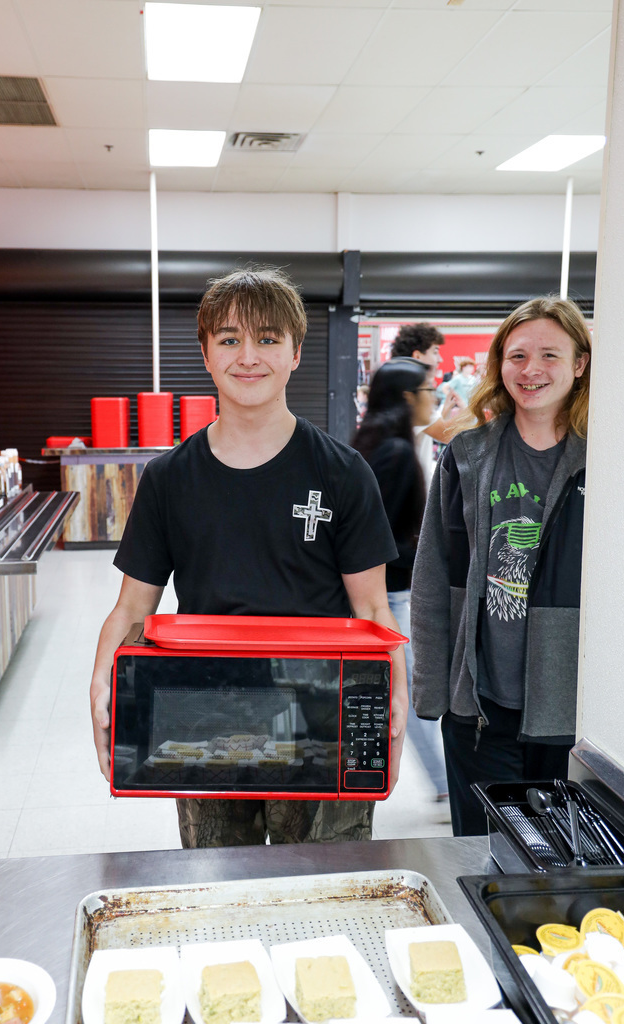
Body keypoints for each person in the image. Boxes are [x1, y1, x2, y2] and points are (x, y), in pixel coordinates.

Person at [90, 266, 408, 848]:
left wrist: (394, 700)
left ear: (294, 353)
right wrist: (102, 688)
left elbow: (373, 610)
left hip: (323, 712)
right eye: (229, 339)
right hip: (204, 709)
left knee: (324, 888)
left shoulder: (343, 474)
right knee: (217, 891)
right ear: (207, 356)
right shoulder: (168, 480)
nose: (248, 356)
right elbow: (131, 607)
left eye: (267, 338)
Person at [410, 296, 591, 836]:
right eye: (517, 356)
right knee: (481, 860)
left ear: (580, 363)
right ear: (499, 363)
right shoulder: (469, 454)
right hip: (480, 711)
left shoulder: (605, 459)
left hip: (572, 716)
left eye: (550, 356)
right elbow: (432, 580)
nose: (531, 370)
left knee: (564, 869)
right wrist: (434, 694)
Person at [351, 359, 449, 805]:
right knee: (408, 688)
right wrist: (431, 555)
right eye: (430, 389)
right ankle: (448, 783)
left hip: (383, 589)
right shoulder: (393, 452)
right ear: (409, 397)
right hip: (390, 592)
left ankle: (445, 781)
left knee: (401, 686)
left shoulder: (376, 443)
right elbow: (381, 533)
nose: (436, 397)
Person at [390, 323, 460, 483]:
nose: (440, 359)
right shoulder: (411, 393)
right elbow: (448, 435)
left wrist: (444, 411)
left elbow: (424, 428)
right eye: (435, 352)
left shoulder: (398, 387)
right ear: (418, 356)